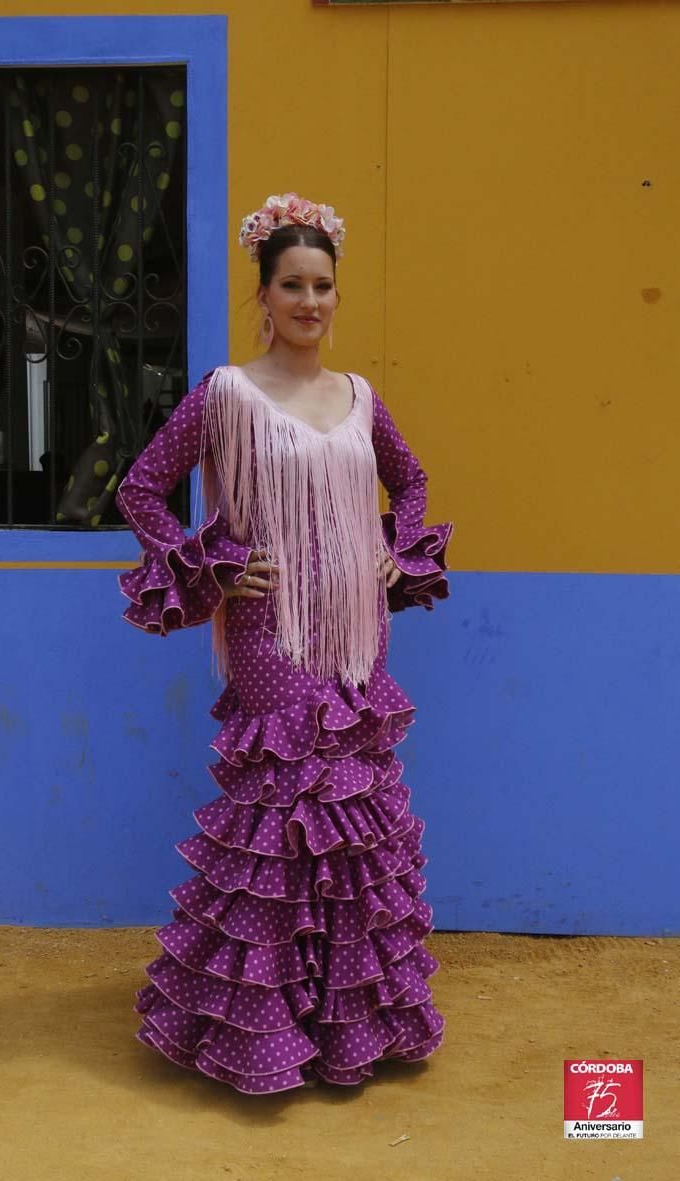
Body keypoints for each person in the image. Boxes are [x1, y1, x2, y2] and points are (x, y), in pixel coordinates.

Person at [115, 192, 454, 1095]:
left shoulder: (360, 398)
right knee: (277, 820)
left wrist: (394, 544)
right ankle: (260, 1029)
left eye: (324, 286)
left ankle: (345, 1029)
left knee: (352, 816)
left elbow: (410, 482)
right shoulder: (228, 394)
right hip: (271, 633)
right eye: (293, 285)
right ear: (262, 295)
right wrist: (211, 566)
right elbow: (142, 490)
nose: (310, 301)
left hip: (356, 634)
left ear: (337, 297)